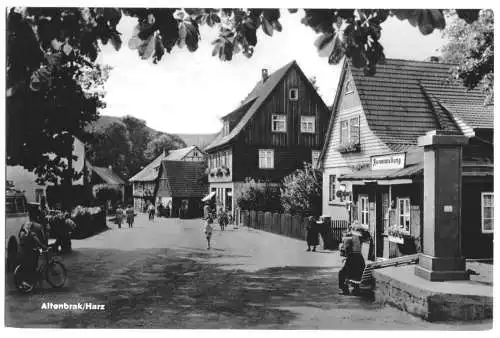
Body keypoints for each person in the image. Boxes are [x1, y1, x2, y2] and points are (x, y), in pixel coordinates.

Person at [18, 221, 49, 286]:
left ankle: (30, 278)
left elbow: (20, 239)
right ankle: (32, 280)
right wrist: (44, 247)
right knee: (34, 263)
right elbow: (39, 241)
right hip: (31, 251)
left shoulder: (23, 229)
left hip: (23, 251)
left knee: (28, 264)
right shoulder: (34, 231)